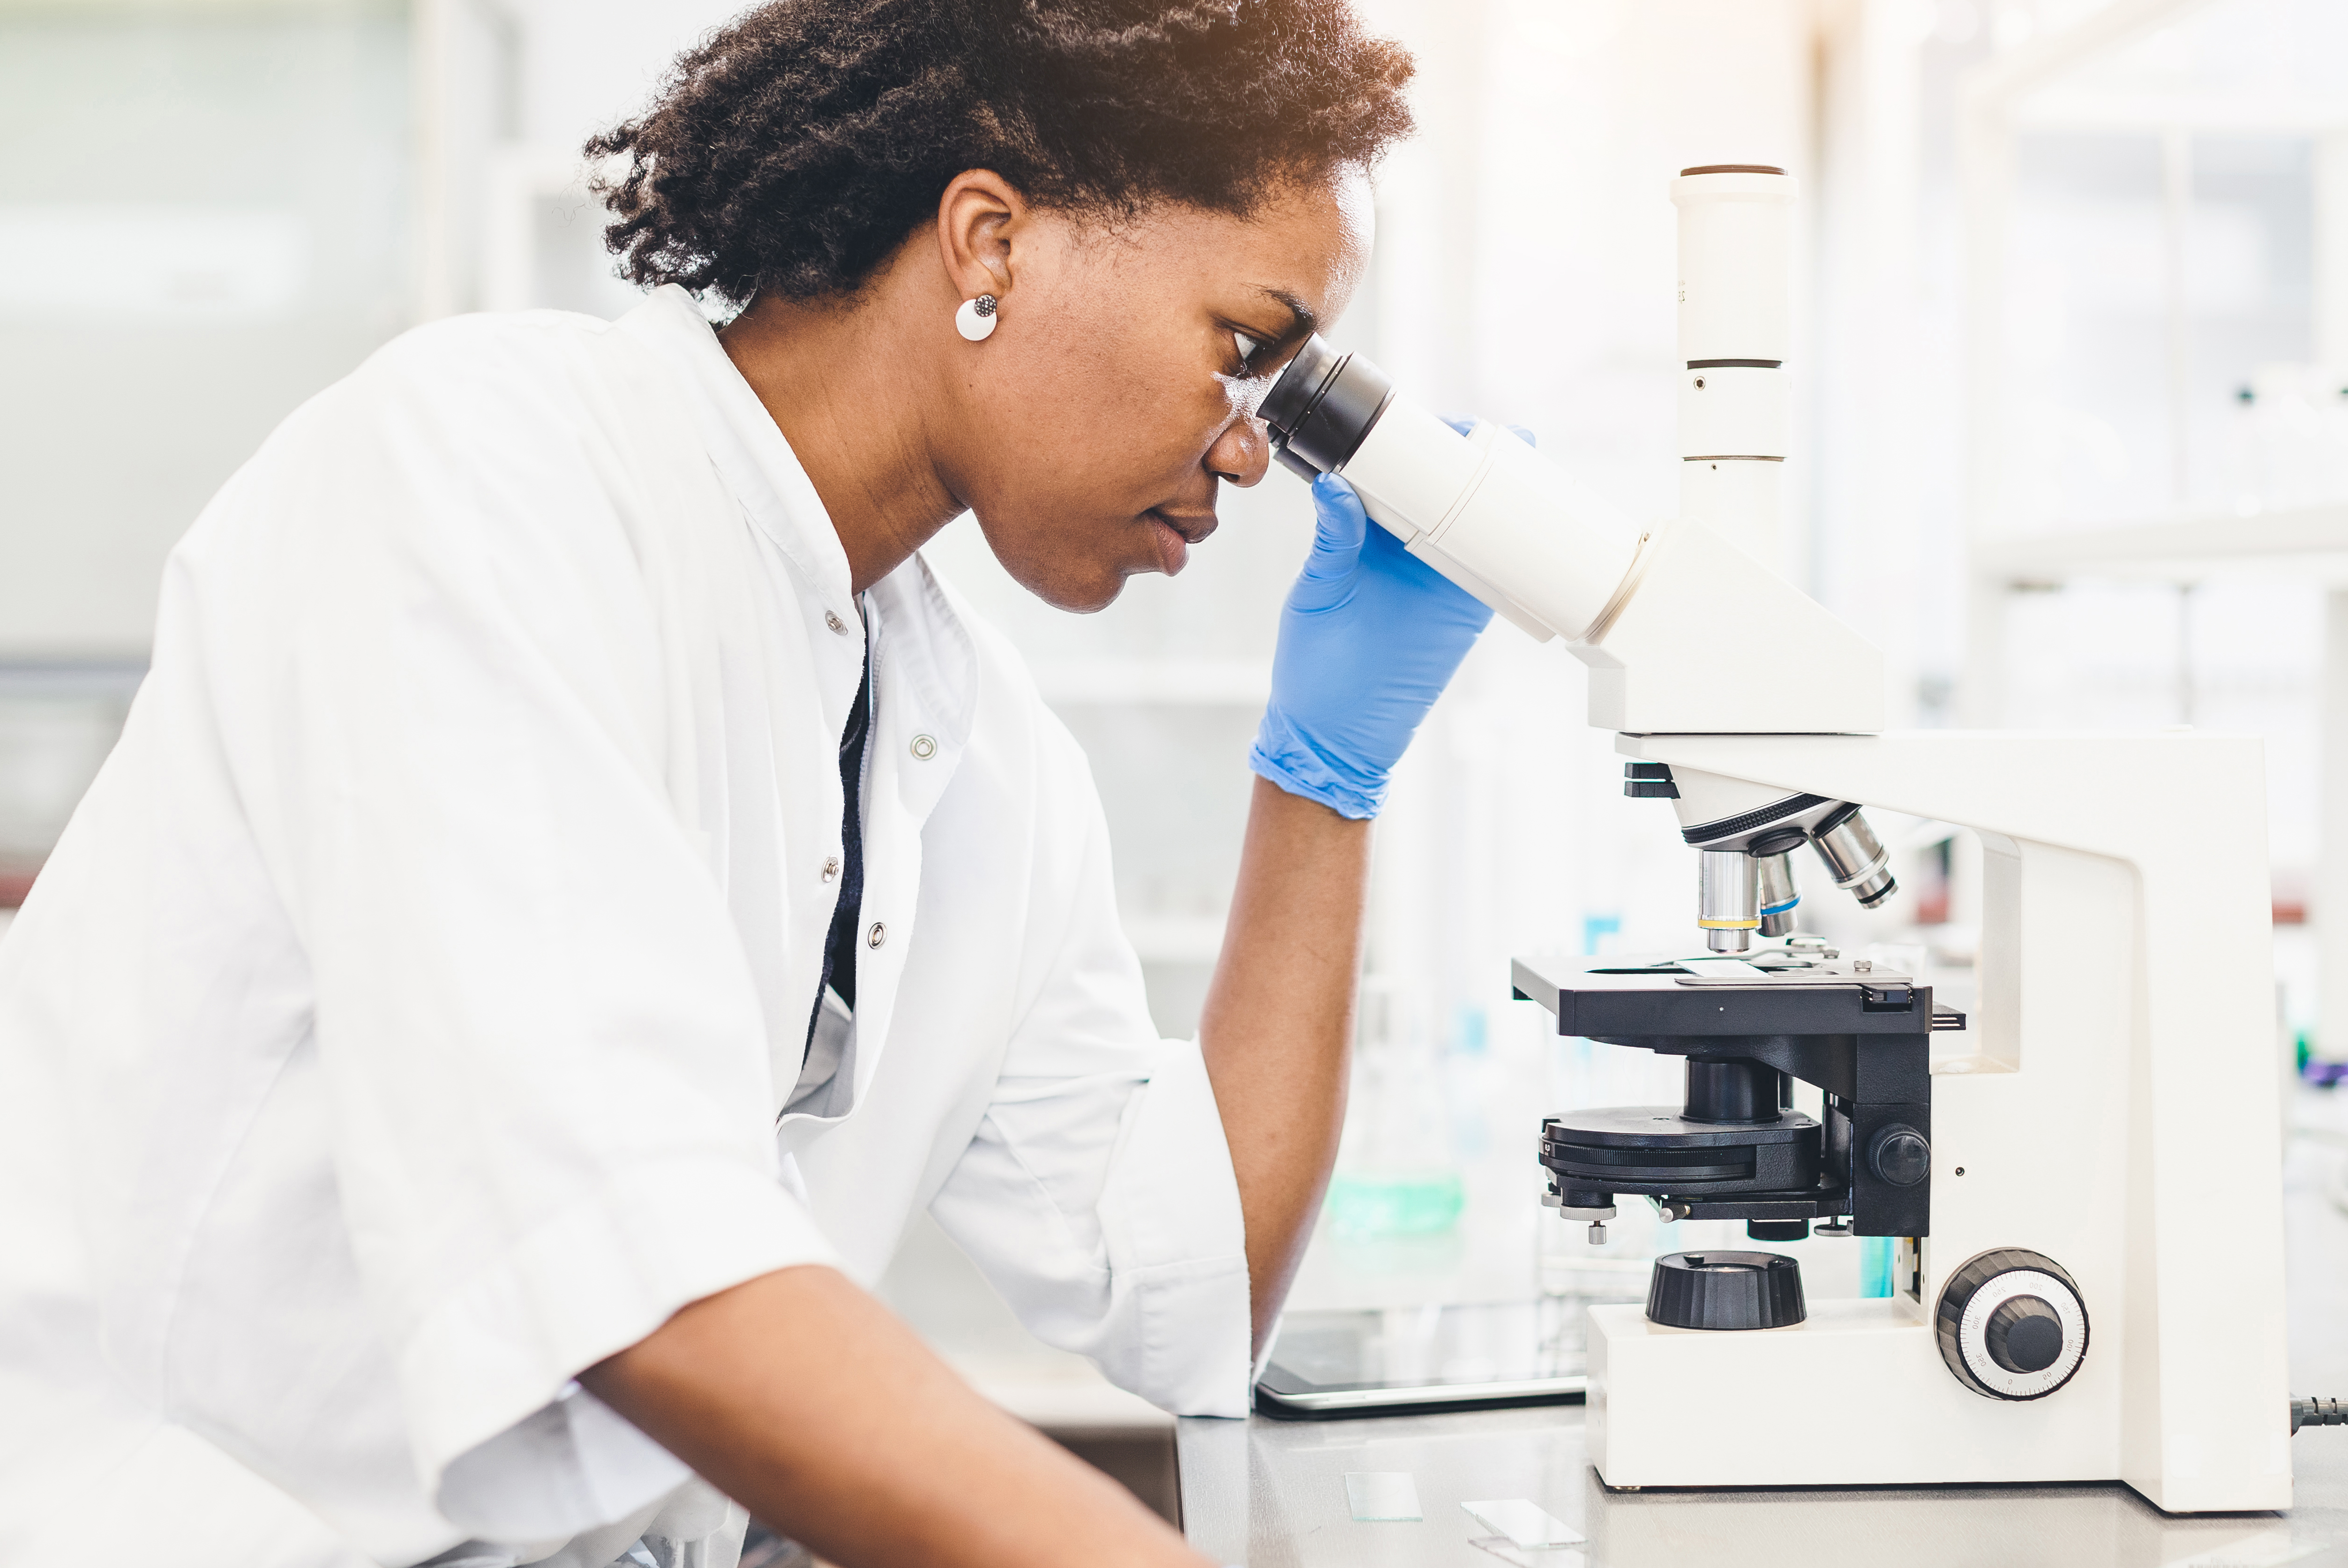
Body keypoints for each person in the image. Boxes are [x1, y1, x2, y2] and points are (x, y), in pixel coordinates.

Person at [0, 1, 1494, 1563]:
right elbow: (626, 1266)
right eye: (1244, 351)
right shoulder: (481, 475)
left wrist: (1327, 774)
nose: (1253, 452)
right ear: (989, 242)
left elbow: (1191, 1285)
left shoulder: (970, 737)